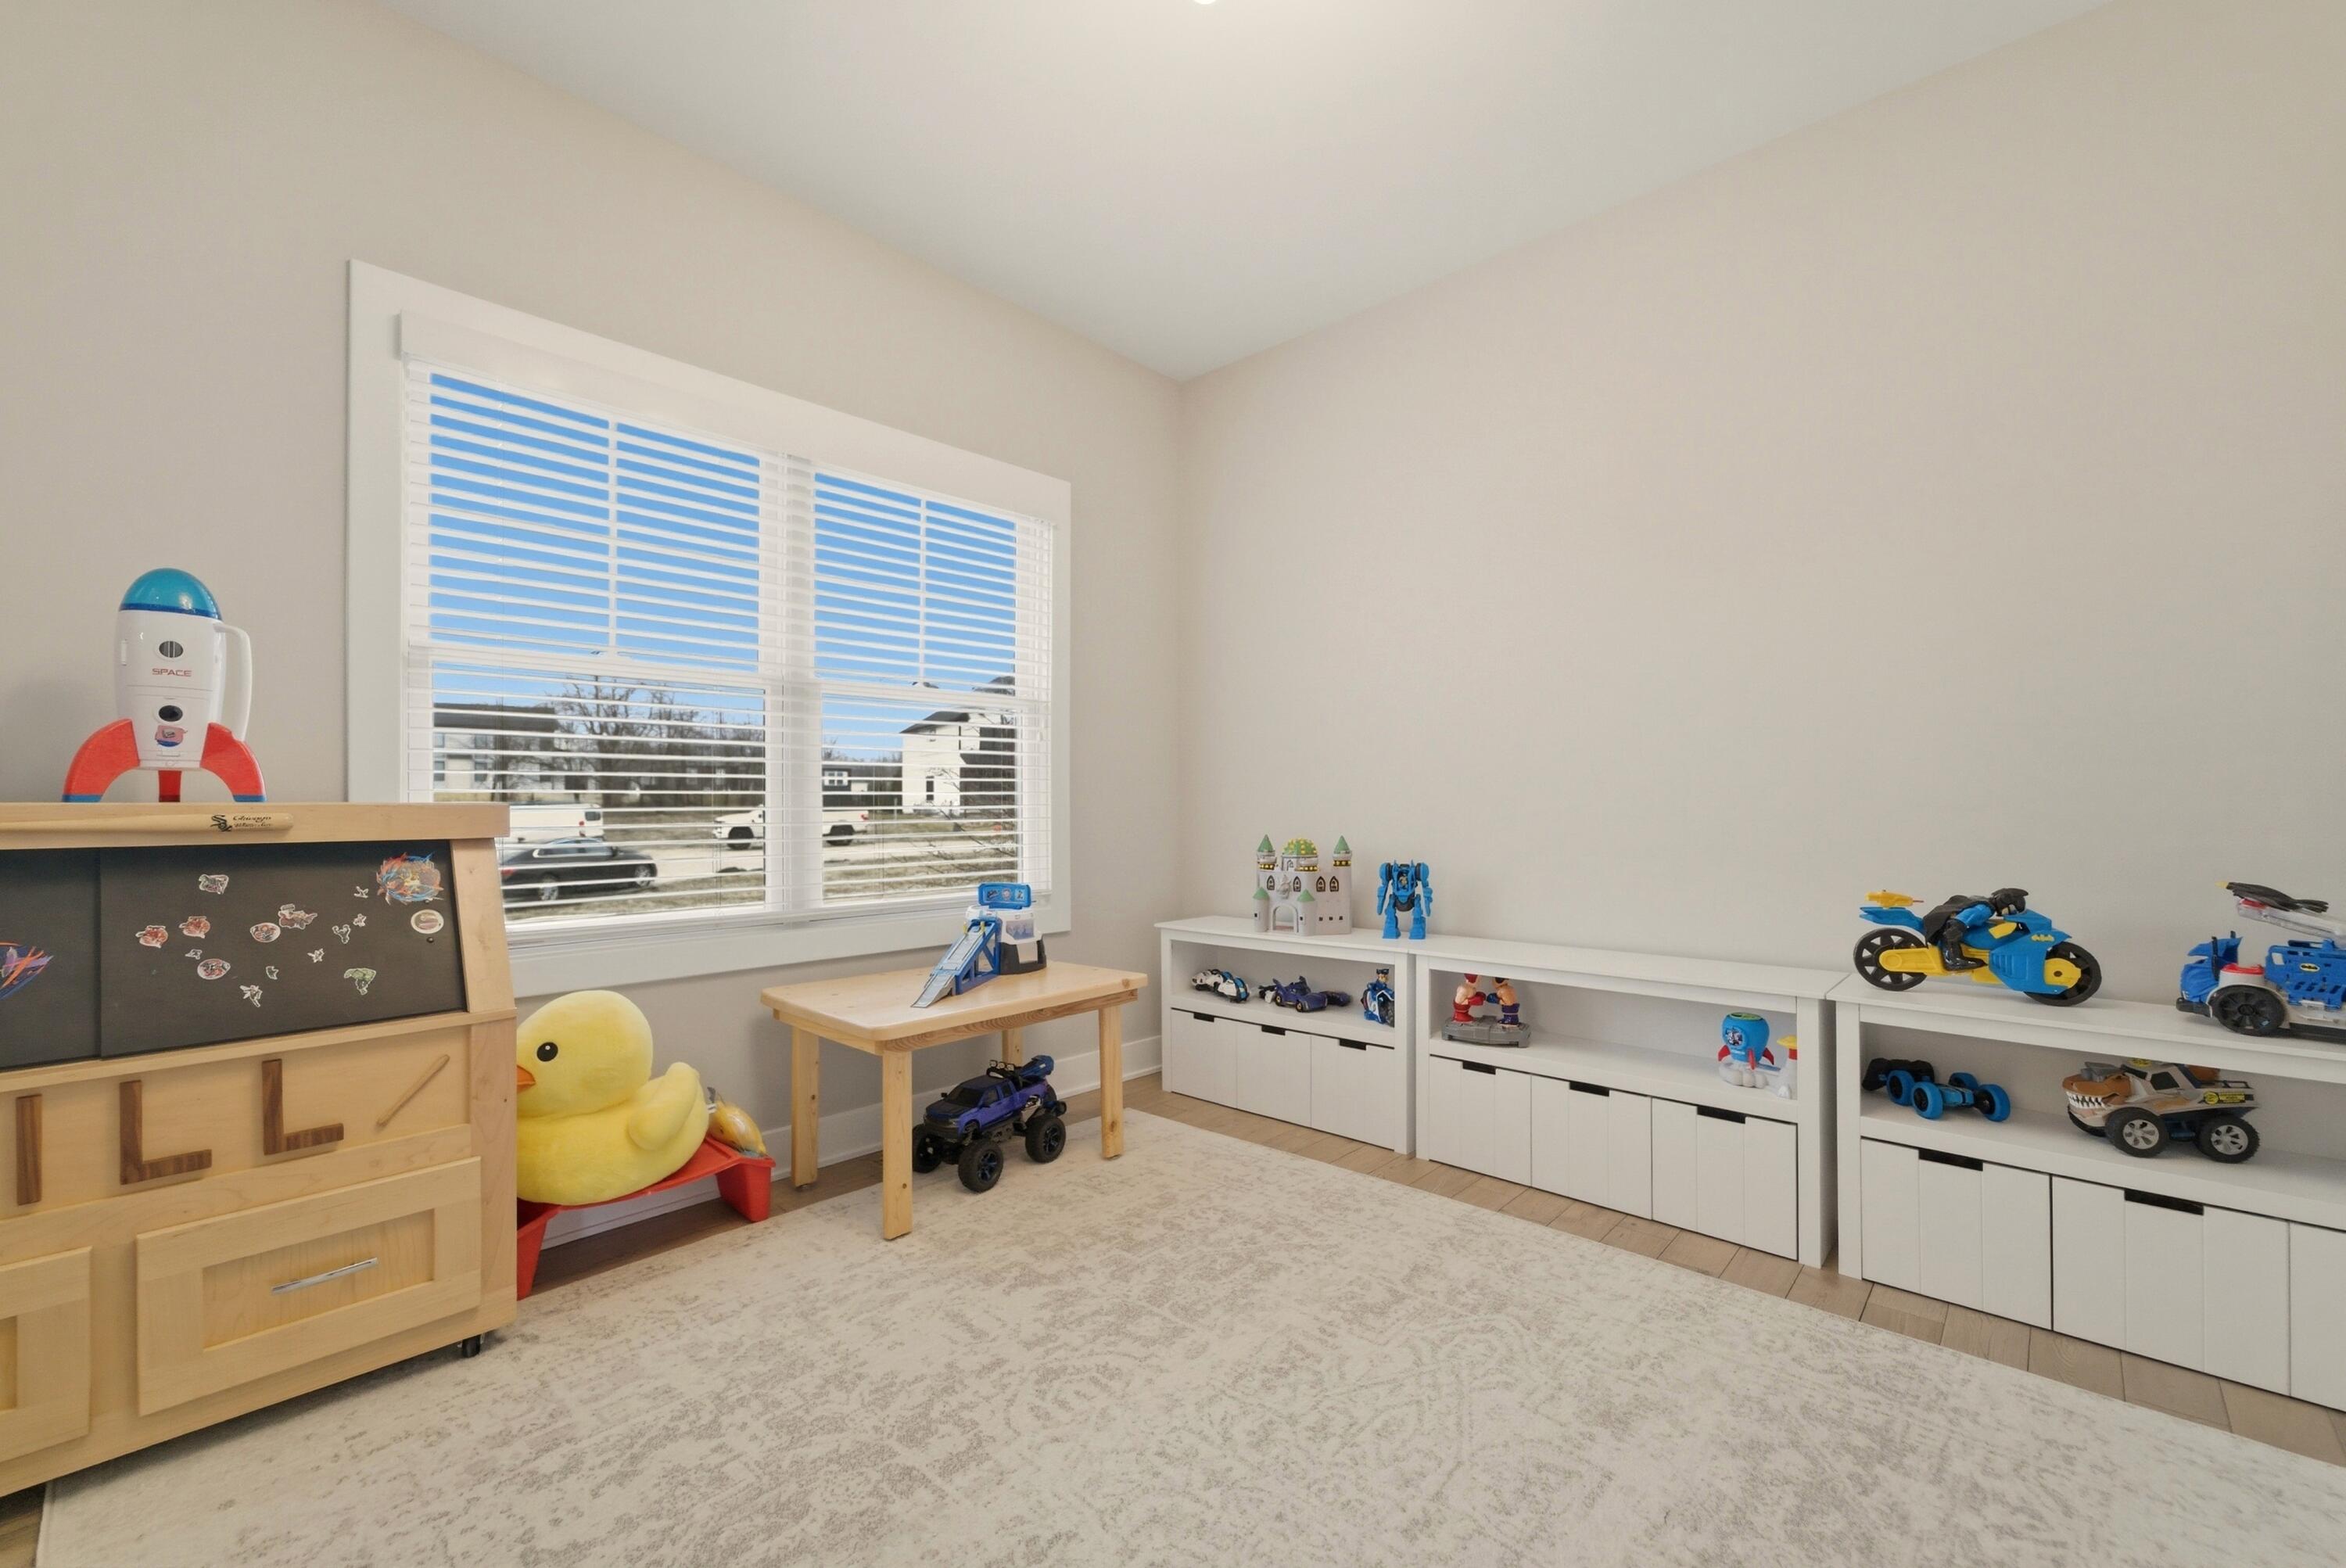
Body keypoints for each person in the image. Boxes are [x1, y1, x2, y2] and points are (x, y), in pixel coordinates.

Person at [1920, 888, 2029, 971]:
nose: (2012, 912)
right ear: (2005, 901)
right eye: (2012, 908)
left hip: (1948, 921)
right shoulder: (1984, 909)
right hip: (1950, 927)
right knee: (1953, 931)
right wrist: (1957, 927)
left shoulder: (1984, 902)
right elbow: (1962, 919)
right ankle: (1953, 959)